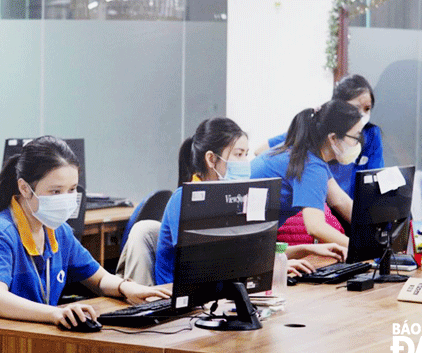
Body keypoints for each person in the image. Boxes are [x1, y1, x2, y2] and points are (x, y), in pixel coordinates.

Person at [0, 136, 169, 328]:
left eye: (71, 190)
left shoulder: (59, 232)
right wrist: (54, 313)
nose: (66, 198)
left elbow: (99, 279)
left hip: (40, 331)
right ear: (24, 188)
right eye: (55, 191)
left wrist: (128, 288)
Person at [153, 117, 346, 285]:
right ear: (211, 159)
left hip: (220, 297)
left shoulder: (232, 200)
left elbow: (243, 256)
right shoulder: (185, 200)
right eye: (238, 155)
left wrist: (304, 249)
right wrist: (270, 266)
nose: (245, 162)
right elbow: (204, 266)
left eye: (246, 154)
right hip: (181, 308)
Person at [251, 100, 362, 248]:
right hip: (243, 241)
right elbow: (315, 227)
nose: (358, 143)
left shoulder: (303, 150)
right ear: (333, 138)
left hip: (247, 237)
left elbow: (340, 200)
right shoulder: (311, 166)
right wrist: (362, 248)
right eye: (355, 137)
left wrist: (375, 229)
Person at [254, 74, 384, 198]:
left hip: (347, 205)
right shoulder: (314, 133)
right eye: (355, 108)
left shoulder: (371, 133)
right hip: (321, 202)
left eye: (367, 109)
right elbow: (261, 151)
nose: (361, 115)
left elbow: (375, 177)